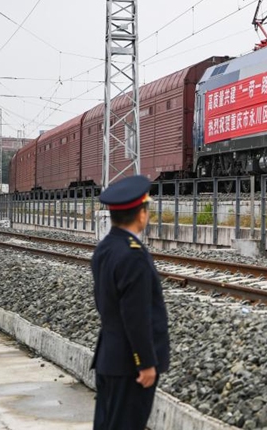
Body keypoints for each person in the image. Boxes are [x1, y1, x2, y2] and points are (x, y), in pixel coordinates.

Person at [91, 175, 170, 430]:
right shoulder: (132, 255)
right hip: (129, 367)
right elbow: (135, 316)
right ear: (141, 214)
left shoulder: (105, 248)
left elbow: (104, 305)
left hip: (108, 358)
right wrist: (145, 362)